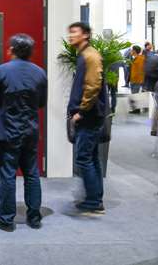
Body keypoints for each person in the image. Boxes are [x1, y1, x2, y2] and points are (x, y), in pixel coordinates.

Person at [0, 34, 47, 232]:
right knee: (32, 173)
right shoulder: (40, 73)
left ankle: (6, 219)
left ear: (11, 50)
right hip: (30, 130)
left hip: (7, 130)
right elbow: (41, 102)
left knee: (8, 174)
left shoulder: (2, 71)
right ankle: (34, 217)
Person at [67, 22, 107, 215]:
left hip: (89, 117)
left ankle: (93, 201)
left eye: (74, 32)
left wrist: (81, 112)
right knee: (91, 158)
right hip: (91, 115)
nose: (71, 36)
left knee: (84, 158)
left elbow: (92, 86)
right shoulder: (85, 55)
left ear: (85, 35)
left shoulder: (90, 56)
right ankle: (95, 199)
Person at [129, 45, 146, 114]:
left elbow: (140, 70)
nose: (130, 51)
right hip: (134, 79)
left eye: (131, 50)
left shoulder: (140, 58)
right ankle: (136, 109)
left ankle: (136, 110)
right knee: (135, 94)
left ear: (134, 51)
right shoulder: (136, 58)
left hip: (136, 79)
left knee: (135, 94)